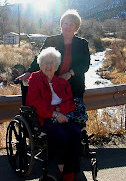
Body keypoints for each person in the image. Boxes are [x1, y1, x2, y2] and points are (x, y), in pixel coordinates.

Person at [26, 47, 88, 181]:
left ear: (56, 66)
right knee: (62, 136)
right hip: (45, 117)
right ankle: (62, 170)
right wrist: (54, 113)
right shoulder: (35, 78)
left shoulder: (61, 82)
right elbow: (34, 102)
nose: (48, 65)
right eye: (45, 62)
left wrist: (60, 111)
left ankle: (71, 169)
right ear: (40, 64)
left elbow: (70, 102)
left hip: (65, 115)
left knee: (76, 133)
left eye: (52, 62)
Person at [17, 9, 90, 100]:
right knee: (51, 112)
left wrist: (70, 73)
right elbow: (40, 57)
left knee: (70, 112)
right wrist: (29, 72)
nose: (68, 27)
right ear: (61, 25)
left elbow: (85, 65)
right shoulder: (51, 40)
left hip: (74, 87)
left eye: (71, 25)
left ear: (76, 27)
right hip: (51, 85)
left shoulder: (82, 44)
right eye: (65, 23)